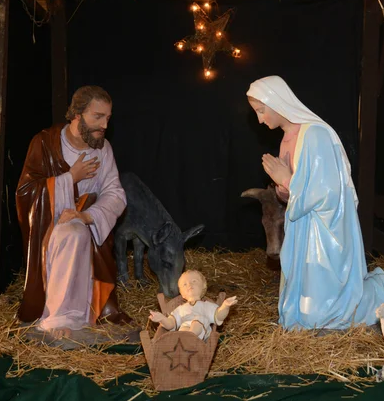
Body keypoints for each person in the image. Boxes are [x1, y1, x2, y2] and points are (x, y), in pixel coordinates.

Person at [246, 75, 384, 331]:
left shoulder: (315, 134)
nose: (260, 120)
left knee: (325, 310)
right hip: (302, 228)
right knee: (303, 309)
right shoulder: (286, 139)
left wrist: (287, 180)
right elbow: (295, 191)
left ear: (276, 101)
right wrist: (283, 190)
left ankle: (380, 292)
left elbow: (328, 191)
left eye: (261, 111)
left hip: (325, 230)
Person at [16, 85, 131, 338]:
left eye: (108, 118)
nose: (104, 125)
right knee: (70, 234)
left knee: (76, 232)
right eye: (97, 117)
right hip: (48, 228)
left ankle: (78, 315)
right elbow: (25, 192)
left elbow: (115, 194)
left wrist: (87, 216)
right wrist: (70, 178)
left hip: (87, 225)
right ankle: (60, 318)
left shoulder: (104, 149)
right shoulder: (45, 143)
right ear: (76, 115)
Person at [149, 270, 237, 340]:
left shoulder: (206, 306)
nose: (189, 285)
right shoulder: (180, 309)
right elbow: (171, 324)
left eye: (194, 281)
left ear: (203, 286)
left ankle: (190, 337)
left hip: (201, 333)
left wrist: (225, 306)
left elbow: (219, 316)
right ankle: (184, 341)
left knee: (199, 319)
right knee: (183, 330)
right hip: (185, 332)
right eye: (185, 284)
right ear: (182, 293)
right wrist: (161, 319)